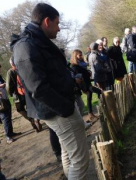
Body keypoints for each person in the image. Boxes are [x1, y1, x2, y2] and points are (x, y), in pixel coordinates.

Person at [11, 3, 89, 179]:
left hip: (60, 108)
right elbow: (38, 88)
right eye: (57, 23)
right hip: (58, 111)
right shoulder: (26, 46)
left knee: (69, 153)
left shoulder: (37, 42)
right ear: (47, 21)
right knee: (80, 160)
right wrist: (67, 109)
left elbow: (53, 74)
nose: (59, 28)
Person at [6, 58, 42, 132]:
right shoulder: (24, 67)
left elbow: (8, 86)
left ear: (11, 64)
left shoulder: (10, 72)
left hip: (18, 95)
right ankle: (35, 119)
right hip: (28, 91)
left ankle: (32, 120)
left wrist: (11, 94)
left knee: (20, 109)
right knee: (32, 107)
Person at [70, 49, 101, 120]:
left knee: (89, 98)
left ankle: (90, 113)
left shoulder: (81, 63)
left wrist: (88, 72)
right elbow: (79, 78)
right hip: (85, 85)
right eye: (79, 55)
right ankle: (102, 104)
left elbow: (85, 72)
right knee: (99, 92)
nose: (81, 56)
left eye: (81, 55)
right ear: (75, 56)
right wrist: (83, 88)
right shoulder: (74, 66)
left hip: (88, 82)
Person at [0, 64, 21, 144]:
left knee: (8, 117)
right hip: (0, 102)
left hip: (5, 99)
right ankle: (8, 137)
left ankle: (11, 133)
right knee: (5, 118)